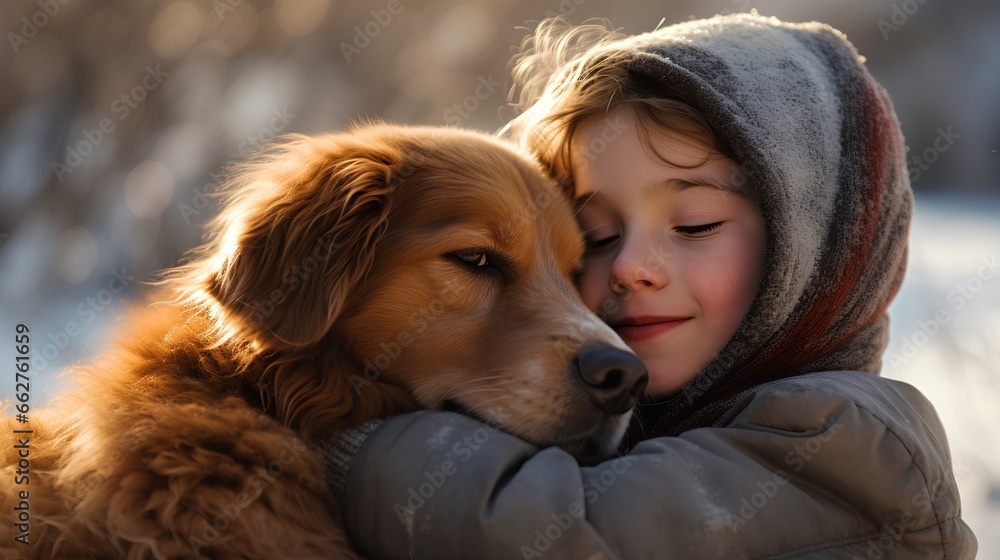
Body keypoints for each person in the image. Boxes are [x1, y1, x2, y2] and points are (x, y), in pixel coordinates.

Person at [324, 13, 977, 559]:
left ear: (822, 251)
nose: (631, 266)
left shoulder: (846, 443)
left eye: (694, 224)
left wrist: (349, 434)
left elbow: (558, 535)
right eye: (596, 237)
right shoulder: (636, 416)